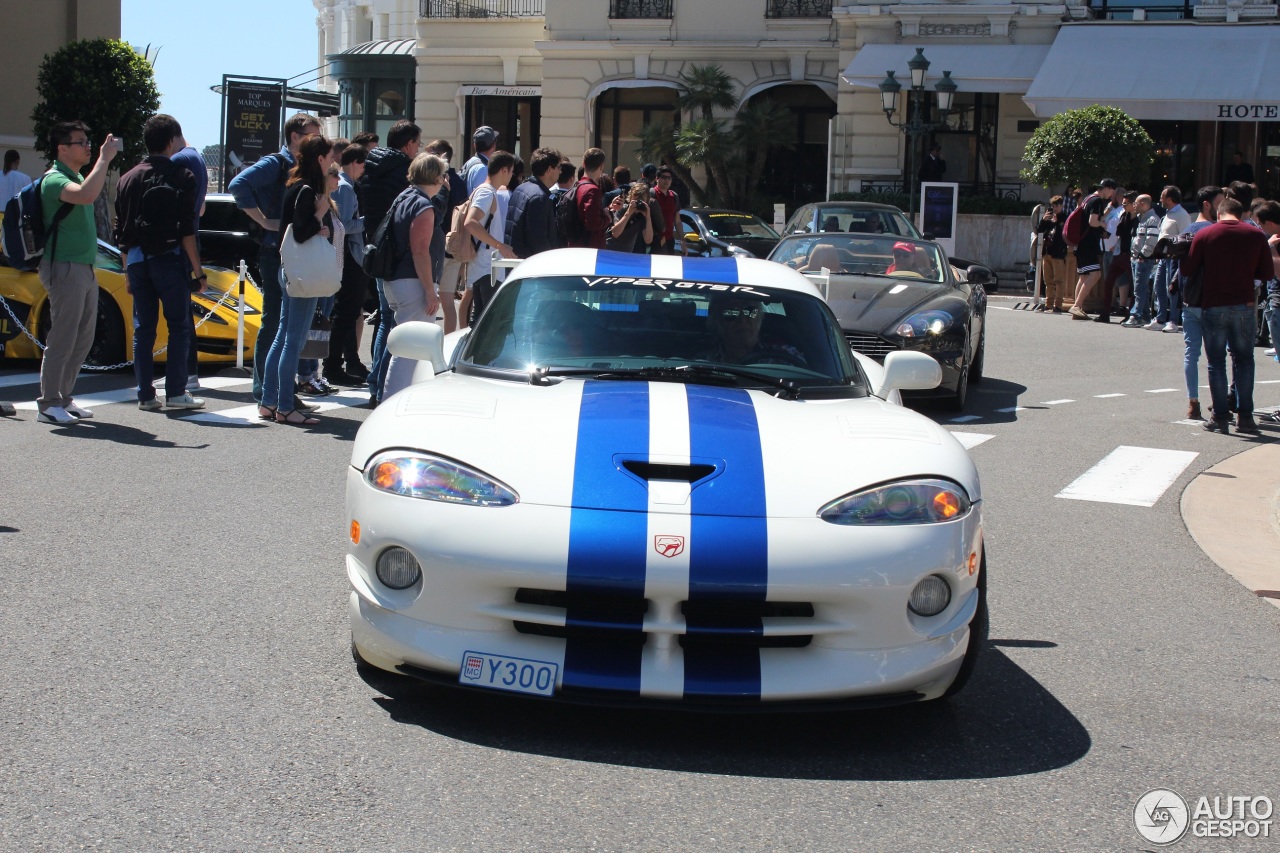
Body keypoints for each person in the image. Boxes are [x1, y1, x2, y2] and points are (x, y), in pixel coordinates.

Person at [114, 113, 206, 412]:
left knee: (144, 329)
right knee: (179, 326)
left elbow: (122, 231)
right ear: (170, 142)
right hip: (169, 259)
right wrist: (198, 271)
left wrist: (127, 271)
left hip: (137, 262)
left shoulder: (127, 178)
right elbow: (187, 230)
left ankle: (145, 394)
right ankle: (177, 392)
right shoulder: (182, 176)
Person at [228, 112, 321, 405]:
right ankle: (266, 390)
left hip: (290, 250)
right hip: (275, 250)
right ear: (295, 136)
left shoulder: (299, 166)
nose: (317, 143)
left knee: (288, 325)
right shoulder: (276, 163)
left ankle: (279, 390)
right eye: (312, 136)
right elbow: (238, 186)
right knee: (276, 323)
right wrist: (265, 220)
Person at [34, 122, 121, 425]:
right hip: (64, 266)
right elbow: (84, 195)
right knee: (63, 336)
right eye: (80, 142)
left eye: (88, 141)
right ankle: (48, 403)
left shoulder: (77, 176)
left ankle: (63, 398)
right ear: (62, 148)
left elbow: (86, 190)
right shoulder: (55, 180)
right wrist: (104, 159)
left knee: (83, 337)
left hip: (82, 267)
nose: (87, 146)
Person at [257, 134, 337, 427]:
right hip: (303, 272)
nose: (333, 161)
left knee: (283, 335)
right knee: (293, 339)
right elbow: (301, 232)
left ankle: (269, 401)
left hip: (289, 269)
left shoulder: (293, 185)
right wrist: (320, 215)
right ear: (319, 159)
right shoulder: (307, 190)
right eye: (329, 157)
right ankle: (285, 406)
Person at [1181, 196, 1272, 435]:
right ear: (1241, 214)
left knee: (1216, 363)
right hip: (1244, 305)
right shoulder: (1255, 236)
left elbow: (1187, 269)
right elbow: (1267, 272)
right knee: (1244, 361)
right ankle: (1246, 417)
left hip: (1214, 305)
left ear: (1219, 214)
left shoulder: (1206, 234)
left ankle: (1220, 416)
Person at [357, 119, 420, 406]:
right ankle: (382, 383)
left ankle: (375, 382)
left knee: (384, 320)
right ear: (408, 145)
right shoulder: (403, 174)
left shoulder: (369, 167)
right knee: (392, 322)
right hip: (396, 254)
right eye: (417, 144)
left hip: (375, 249)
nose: (417, 150)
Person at [382, 153, 449, 400]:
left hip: (398, 279)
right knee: (410, 350)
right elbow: (420, 251)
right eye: (442, 175)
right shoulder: (423, 205)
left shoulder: (404, 197)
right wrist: (430, 292)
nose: (444, 180)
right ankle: (393, 402)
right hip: (413, 282)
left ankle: (394, 399)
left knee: (406, 348)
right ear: (435, 177)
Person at [1175, 185, 1224, 422]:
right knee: (1217, 356)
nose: (1222, 207)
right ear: (1208, 204)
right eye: (1220, 202)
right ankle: (1219, 403)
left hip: (1190, 299)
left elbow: (1181, 269)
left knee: (1191, 353)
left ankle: (1193, 402)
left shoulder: (1188, 230)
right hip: (1212, 300)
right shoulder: (1217, 232)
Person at [324, 143, 369, 385]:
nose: (364, 169)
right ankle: (333, 366)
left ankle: (345, 362)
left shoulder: (347, 186)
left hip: (350, 254)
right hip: (348, 255)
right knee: (345, 313)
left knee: (349, 313)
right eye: (362, 164)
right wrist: (367, 221)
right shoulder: (344, 187)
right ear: (353, 163)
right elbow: (341, 225)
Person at [170, 133, 209, 393]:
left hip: (180, 243)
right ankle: (186, 373)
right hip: (189, 237)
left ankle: (187, 374)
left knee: (180, 315)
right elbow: (202, 208)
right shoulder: (197, 159)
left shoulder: (180, 159)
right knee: (182, 313)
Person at [463, 151, 519, 324]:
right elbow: (470, 222)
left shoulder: (485, 191)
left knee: (480, 319)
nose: (511, 176)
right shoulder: (487, 192)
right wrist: (500, 245)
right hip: (487, 267)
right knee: (489, 321)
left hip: (484, 266)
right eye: (511, 171)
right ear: (503, 170)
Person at [701, 295, 805, 366]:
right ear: (716, 322)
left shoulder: (786, 358)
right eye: (731, 313)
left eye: (750, 311)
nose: (742, 319)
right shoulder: (702, 363)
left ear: (760, 318)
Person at [1068, 179, 1116, 320]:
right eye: (1112, 190)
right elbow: (1092, 222)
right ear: (1106, 188)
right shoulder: (1097, 201)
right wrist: (1103, 224)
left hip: (1081, 243)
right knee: (1095, 275)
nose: (1112, 194)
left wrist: (1104, 215)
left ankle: (1078, 308)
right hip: (1088, 244)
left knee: (1083, 277)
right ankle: (1077, 306)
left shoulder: (1088, 198)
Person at [506, 146, 563, 259]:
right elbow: (538, 239)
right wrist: (552, 261)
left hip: (516, 262)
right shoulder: (539, 197)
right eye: (558, 167)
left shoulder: (520, 188)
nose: (560, 171)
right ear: (549, 170)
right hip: (531, 266)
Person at [1147, 184, 1191, 332]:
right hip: (1163, 257)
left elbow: (1185, 237)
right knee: (1158, 287)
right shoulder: (1168, 214)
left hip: (1174, 258)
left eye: (1162, 196)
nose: (1160, 199)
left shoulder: (1182, 214)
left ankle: (1173, 320)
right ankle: (1160, 318)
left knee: (1171, 289)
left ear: (1170, 199)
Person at [1124, 194, 1161, 328]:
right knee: (1140, 288)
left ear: (1144, 204)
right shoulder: (1142, 218)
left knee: (1139, 288)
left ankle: (1136, 315)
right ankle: (1145, 315)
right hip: (1136, 258)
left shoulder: (1152, 219)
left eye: (1137, 203)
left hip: (1143, 260)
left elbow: (1151, 240)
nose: (1134, 205)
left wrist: (1143, 255)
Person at [567, 148, 609, 249]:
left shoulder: (578, 185)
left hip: (576, 243)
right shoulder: (592, 190)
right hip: (589, 248)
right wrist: (608, 218)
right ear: (601, 166)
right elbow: (593, 224)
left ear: (583, 164)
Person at [1036, 196, 1068, 313]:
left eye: (1057, 206)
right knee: (1047, 280)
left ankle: (1058, 305)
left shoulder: (1064, 218)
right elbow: (1039, 230)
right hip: (1047, 252)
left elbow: (1063, 234)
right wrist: (1044, 220)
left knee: (1058, 280)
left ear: (1061, 206)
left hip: (1058, 252)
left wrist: (1056, 223)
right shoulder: (1049, 218)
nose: (1054, 209)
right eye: (1053, 206)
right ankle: (1048, 304)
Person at [605, 182, 654, 253]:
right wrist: (628, 213)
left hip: (626, 253)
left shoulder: (643, 216)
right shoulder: (622, 209)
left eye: (642, 199)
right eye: (636, 199)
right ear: (630, 198)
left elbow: (648, 240)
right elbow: (615, 233)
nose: (638, 202)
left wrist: (648, 218)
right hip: (610, 249)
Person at [651, 167, 680, 255]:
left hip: (669, 240)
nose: (667, 180)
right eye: (663, 177)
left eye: (669, 178)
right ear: (657, 178)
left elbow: (677, 220)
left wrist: (682, 240)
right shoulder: (651, 194)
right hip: (653, 240)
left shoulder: (674, 196)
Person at [462, 125, 498, 195]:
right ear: (494, 146)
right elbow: (481, 199)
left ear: (475, 145)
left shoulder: (470, 162)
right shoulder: (483, 169)